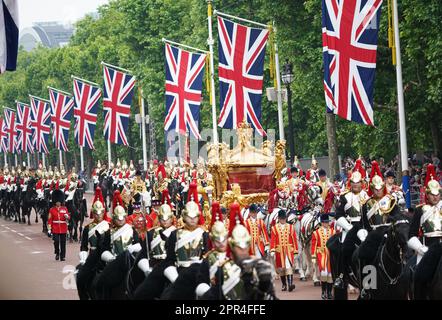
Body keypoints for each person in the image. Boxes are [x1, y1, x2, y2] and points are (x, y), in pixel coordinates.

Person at [330, 160, 369, 299]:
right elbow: (339, 215)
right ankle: (341, 276)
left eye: (358, 183)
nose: (356, 185)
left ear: (362, 183)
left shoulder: (367, 196)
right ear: (350, 183)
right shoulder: (345, 197)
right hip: (349, 227)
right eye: (353, 182)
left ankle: (371, 280)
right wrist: (349, 227)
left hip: (364, 227)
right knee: (344, 249)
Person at [160, 200, 209, 299]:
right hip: (179, 273)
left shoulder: (204, 234)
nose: (192, 219)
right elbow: (169, 259)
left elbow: (207, 257)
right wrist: (175, 278)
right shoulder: (174, 234)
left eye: (195, 216)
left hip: (198, 275)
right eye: (189, 216)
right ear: (184, 216)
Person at [408, 163, 442, 299]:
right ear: (427, 194)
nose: (435, 197)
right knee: (420, 276)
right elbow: (411, 236)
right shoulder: (420, 210)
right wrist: (421, 248)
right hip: (429, 250)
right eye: (432, 194)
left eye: (438, 194)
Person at [133, 203, 177, 300]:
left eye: (167, 218)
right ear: (159, 218)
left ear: (172, 218)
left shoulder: (177, 233)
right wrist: (146, 269)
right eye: (162, 218)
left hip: (173, 267)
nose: (165, 221)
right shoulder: (151, 233)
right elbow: (143, 254)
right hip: (155, 266)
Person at [76, 200, 110, 300]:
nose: (98, 215)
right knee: (81, 276)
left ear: (103, 213)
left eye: (100, 213)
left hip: (107, 254)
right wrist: (83, 259)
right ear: (93, 213)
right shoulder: (87, 228)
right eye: (96, 213)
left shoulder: (109, 226)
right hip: (93, 255)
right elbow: (84, 246)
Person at [270, 210, 298, 292]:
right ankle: (284, 284)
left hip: (289, 250)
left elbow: (294, 239)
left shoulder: (290, 227)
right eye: (281, 218)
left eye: (284, 218)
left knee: (288, 266)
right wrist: (272, 249)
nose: (283, 220)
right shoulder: (274, 228)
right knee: (281, 269)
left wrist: (295, 250)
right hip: (279, 251)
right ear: (278, 218)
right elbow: (273, 240)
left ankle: (290, 285)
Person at [311, 213, 335, 299]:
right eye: (325, 222)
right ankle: (323, 292)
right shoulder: (316, 232)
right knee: (324, 273)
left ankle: (329, 293)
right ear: (321, 223)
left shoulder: (333, 231)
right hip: (321, 254)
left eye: (327, 222)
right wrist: (313, 256)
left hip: (330, 255)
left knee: (330, 275)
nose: (326, 224)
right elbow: (313, 245)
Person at [47, 189, 70, 261]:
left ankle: (62, 256)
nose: (58, 203)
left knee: (63, 243)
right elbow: (50, 220)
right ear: (55, 202)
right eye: (57, 202)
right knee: (56, 241)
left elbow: (68, 219)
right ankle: (57, 252)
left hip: (63, 228)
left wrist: (67, 217)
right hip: (55, 228)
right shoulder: (52, 209)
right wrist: (49, 229)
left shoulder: (65, 208)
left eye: (59, 202)